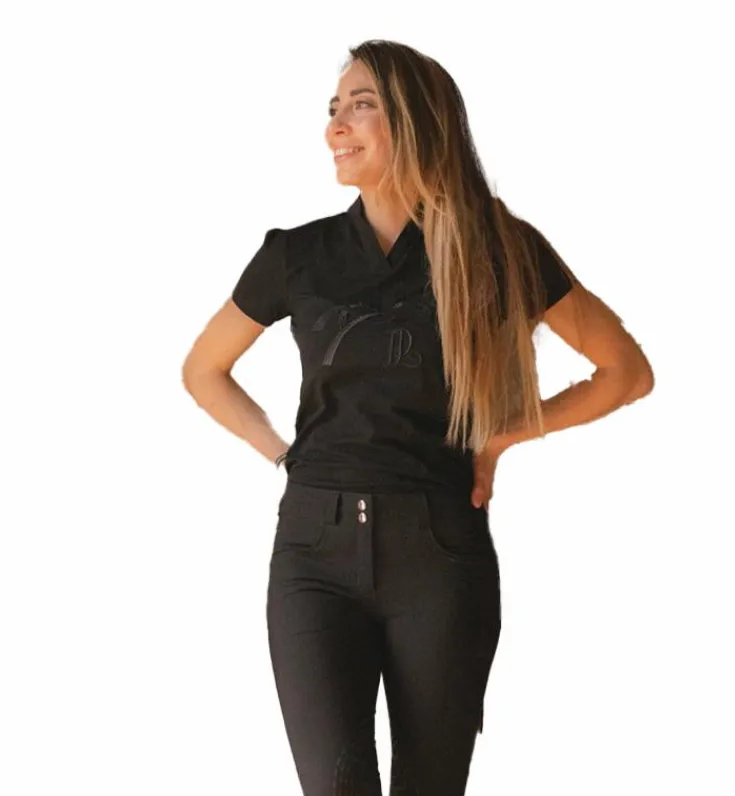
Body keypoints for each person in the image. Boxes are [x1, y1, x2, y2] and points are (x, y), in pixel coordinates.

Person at [182, 39, 654, 796]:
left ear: (417, 120)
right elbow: (203, 370)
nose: (336, 126)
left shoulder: (497, 246)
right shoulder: (297, 255)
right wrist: (283, 453)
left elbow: (626, 372)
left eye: (361, 106)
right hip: (313, 556)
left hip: (439, 555)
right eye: (333, 109)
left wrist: (503, 438)